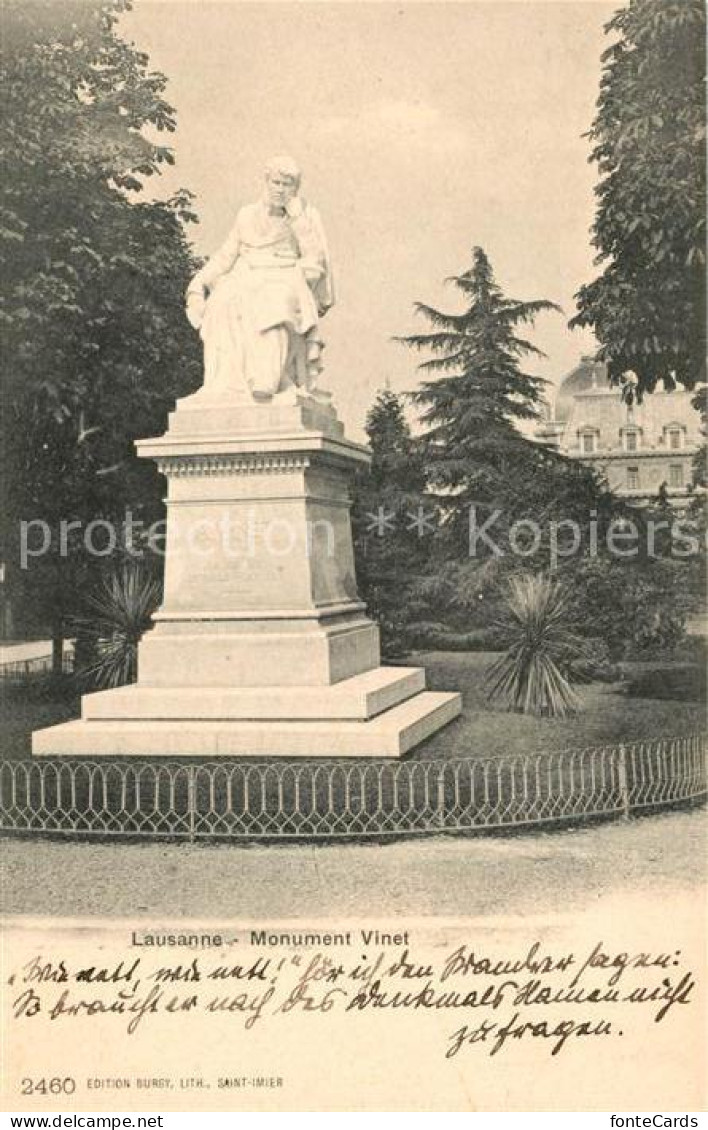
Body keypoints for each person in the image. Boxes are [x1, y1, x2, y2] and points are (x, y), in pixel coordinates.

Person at [185, 155, 334, 404]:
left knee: (276, 300)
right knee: (221, 300)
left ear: (295, 189)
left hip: (286, 275)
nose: (280, 189)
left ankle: (267, 379)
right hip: (246, 275)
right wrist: (197, 285)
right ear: (266, 182)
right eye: (276, 182)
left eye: (287, 185)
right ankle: (224, 386)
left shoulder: (305, 216)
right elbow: (224, 257)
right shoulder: (246, 215)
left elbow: (314, 259)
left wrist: (297, 219)